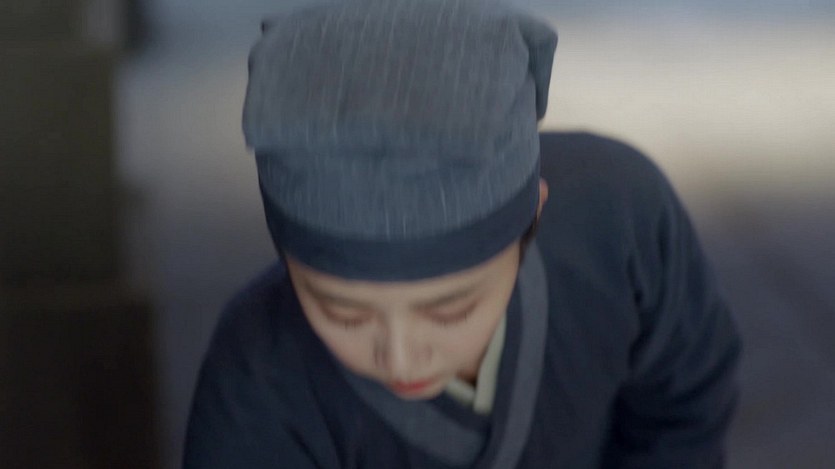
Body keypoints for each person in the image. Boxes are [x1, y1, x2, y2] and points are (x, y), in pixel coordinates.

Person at [183, 0, 741, 467]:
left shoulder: (622, 222)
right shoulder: (255, 378)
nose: (403, 360)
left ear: (533, 218)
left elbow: (685, 414)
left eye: (450, 311)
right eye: (343, 314)